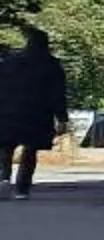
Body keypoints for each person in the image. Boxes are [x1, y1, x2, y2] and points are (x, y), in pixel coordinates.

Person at [0, 26, 70, 200]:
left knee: (6, 148)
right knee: (30, 151)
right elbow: (58, 94)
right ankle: (22, 189)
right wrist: (62, 118)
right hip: (38, 114)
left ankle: (3, 177)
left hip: (9, 111)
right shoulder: (52, 65)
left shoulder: (10, 61)